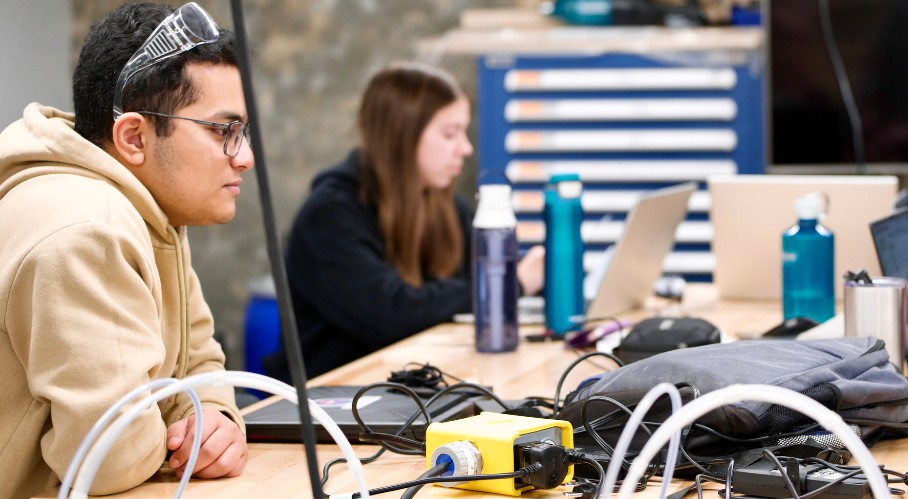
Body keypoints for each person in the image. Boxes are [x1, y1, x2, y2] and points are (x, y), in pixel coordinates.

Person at [0, 3, 252, 497]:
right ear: (133, 137)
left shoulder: (147, 208)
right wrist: (183, 431)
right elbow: (109, 460)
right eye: (223, 131)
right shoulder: (87, 230)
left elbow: (199, 363)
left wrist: (217, 421)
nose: (243, 158)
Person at [265, 63, 544, 382]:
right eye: (450, 134)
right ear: (402, 136)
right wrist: (509, 284)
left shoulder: (442, 203)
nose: (465, 149)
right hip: (335, 404)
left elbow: (470, 279)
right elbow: (392, 313)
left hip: (411, 386)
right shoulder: (329, 216)